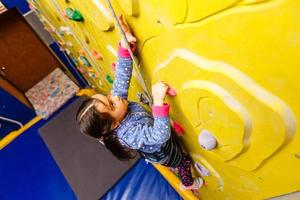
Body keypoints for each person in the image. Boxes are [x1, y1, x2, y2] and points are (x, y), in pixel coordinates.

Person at [76, 15, 202, 190]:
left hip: (153, 138)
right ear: (114, 125)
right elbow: (160, 136)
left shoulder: (117, 105)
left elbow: (122, 76)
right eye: (111, 104)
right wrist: (158, 102)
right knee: (183, 161)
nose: (115, 96)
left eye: (108, 96)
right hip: (162, 152)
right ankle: (187, 183)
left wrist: (124, 44)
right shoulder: (127, 134)